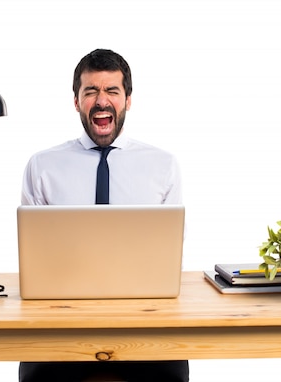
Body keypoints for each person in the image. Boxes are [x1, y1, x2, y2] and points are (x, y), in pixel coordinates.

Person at [20, 49, 188, 381]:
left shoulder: (163, 165)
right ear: (76, 101)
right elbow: (34, 260)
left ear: (127, 100)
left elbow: (169, 259)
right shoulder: (42, 166)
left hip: (144, 322)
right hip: (61, 324)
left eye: (112, 90)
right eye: (90, 91)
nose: (101, 100)